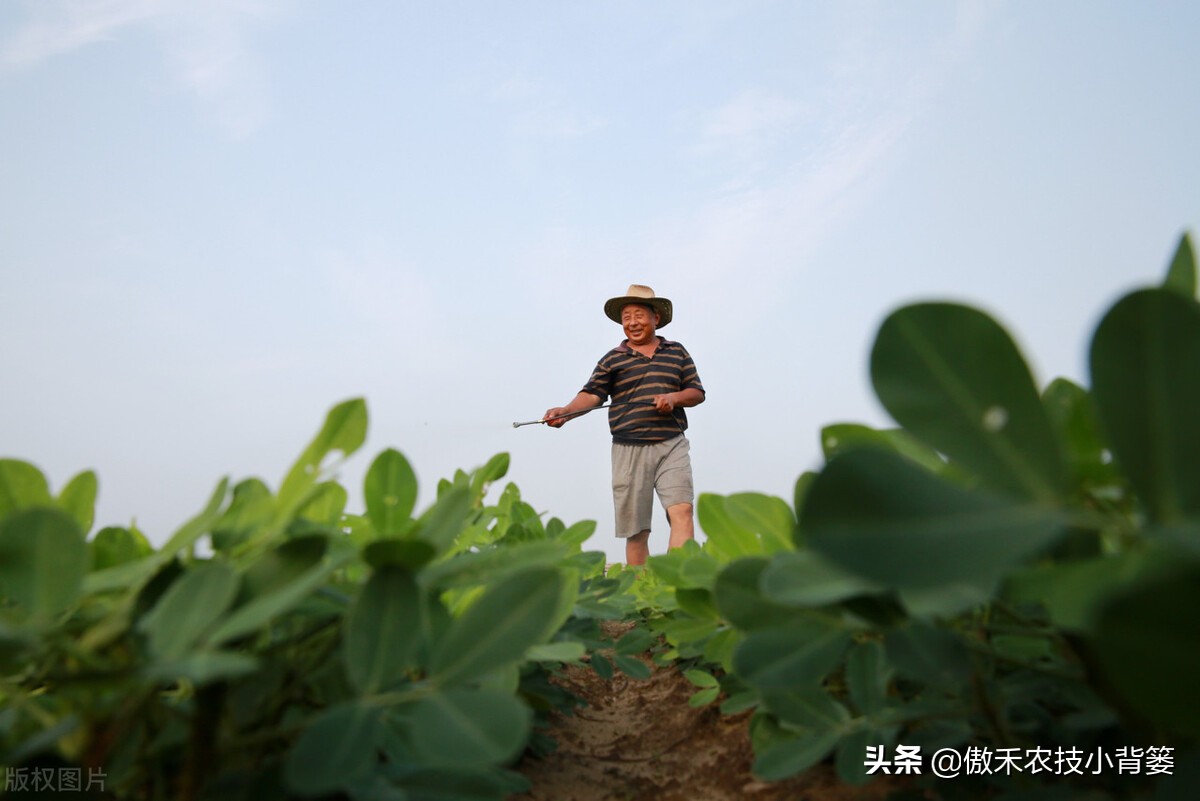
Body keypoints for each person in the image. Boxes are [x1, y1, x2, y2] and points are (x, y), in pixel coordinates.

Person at [544, 285, 706, 566]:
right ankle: (640, 589)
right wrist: (567, 412)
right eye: (626, 317)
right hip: (628, 449)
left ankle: (678, 582)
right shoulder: (612, 359)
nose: (632, 322)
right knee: (637, 530)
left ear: (656, 317)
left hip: (672, 444)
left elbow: (696, 392)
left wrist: (673, 398)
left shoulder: (676, 351)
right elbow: (592, 395)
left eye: (639, 315)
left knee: (682, 511)